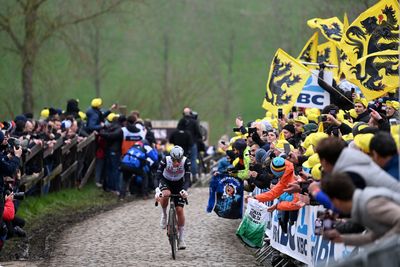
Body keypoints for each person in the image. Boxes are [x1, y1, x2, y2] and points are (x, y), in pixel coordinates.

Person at [321, 172, 400, 246]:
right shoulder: (361, 206)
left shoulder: (370, 205)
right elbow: (373, 237)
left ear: (336, 201)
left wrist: (383, 244)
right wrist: (342, 239)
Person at [155, 145, 190, 250]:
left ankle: (181, 238)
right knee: (166, 193)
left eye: (178, 160)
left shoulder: (186, 161)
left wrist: (184, 190)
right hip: (166, 181)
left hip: (179, 183)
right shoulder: (165, 160)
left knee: (179, 210)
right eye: (174, 160)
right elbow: (157, 176)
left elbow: (187, 179)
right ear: (171, 158)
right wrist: (157, 189)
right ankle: (165, 214)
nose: (177, 163)